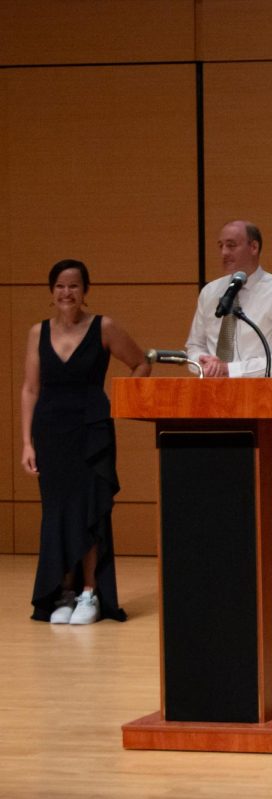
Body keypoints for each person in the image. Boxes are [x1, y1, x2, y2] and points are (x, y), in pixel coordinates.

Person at [21, 259, 151, 624]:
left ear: (85, 291)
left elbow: (140, 363)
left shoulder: (103, 327)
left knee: (90, 510)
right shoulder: (37, 332)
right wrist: (27, 443)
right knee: (58, 512)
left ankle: (91, 593)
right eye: (60, 286)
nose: (67, 293)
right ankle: (63, 592)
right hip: (50, 432)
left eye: (74, 286)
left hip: (91, 431)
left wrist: (117, 402)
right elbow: (30, 389)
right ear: (51, 292)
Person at [185, 220, 272, 377]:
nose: (224, 253)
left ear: (254, 247)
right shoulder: (209, 292)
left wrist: (229, 370)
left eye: (231, 245)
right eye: (221, 246)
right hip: (210, 390)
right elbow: (194, 346)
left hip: (258, 393)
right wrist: (204, 363)